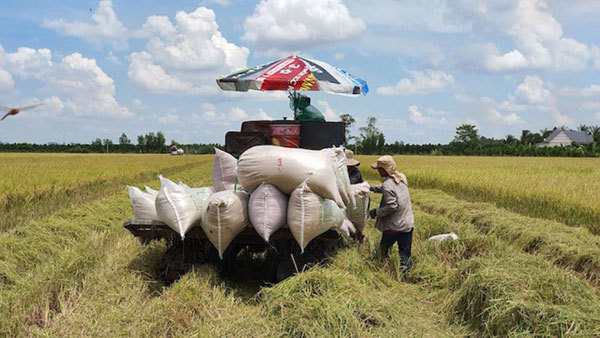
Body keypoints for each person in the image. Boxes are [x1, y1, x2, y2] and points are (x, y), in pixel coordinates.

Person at [368, 155, 414, 280]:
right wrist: (369, 188)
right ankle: (406, 278)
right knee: (405, 253)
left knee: (384, 248)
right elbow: (386, 189)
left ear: (384, 170)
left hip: (394, 225)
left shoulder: (388, 184)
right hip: (407, 223)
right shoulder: (400, 178)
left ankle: (383, 269)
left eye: (379, 169)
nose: (378, 171)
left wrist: (376, 212)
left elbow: (392, 206)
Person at [345, 149, 366, 243]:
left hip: (355, 199)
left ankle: (358, 236)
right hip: (345, 198)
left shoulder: (355, 172)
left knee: (355, 218)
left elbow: (350, 185)